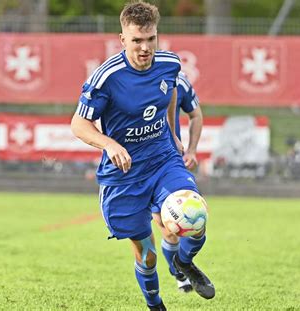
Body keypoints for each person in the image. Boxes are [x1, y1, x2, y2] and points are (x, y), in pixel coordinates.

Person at [70, 2, 214, 310]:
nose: (145, 48)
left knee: (196, 214)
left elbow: (171, 90)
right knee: (146, 254)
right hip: (124, 177)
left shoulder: (169, 64)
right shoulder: (106, 77)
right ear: (123, 40)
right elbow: (78, 124)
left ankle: (184, 263)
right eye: (137, 40)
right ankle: (154, 304)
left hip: (162, 160)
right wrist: (108, 144)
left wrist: (173, 133)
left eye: (151, 39)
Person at [156, 70, 203, 293]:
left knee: (192, 219)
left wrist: (192, 150)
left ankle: (184, 263)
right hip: (140, 167)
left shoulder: (177, 80)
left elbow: (195, 114)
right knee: (166, 229)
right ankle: (179, 273)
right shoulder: (125, 79)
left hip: (170, 162)